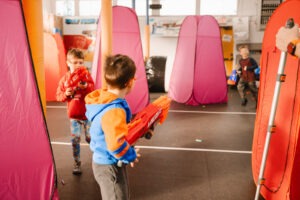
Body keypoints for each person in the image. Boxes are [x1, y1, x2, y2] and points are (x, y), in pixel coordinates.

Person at [85, 54, 141, 200]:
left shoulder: (106, 100)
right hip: (109, 166)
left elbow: (113, 133)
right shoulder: (114, 109)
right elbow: (116, 145)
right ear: (129, 82)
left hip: (106, 162)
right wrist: (130, 155)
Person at [56, 48, 94, 175]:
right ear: (68, 63)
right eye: (75, 62)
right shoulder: (65, 79)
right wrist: (66, 94)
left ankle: (98, 161)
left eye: (81, 62)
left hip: (87, 115)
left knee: (91, 138)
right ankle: (77, 163)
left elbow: (93, 91)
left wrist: (85, 88)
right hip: (74, 117)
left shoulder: (87, 76)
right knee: (75, 140)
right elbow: (59, 96)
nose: (78, 65)